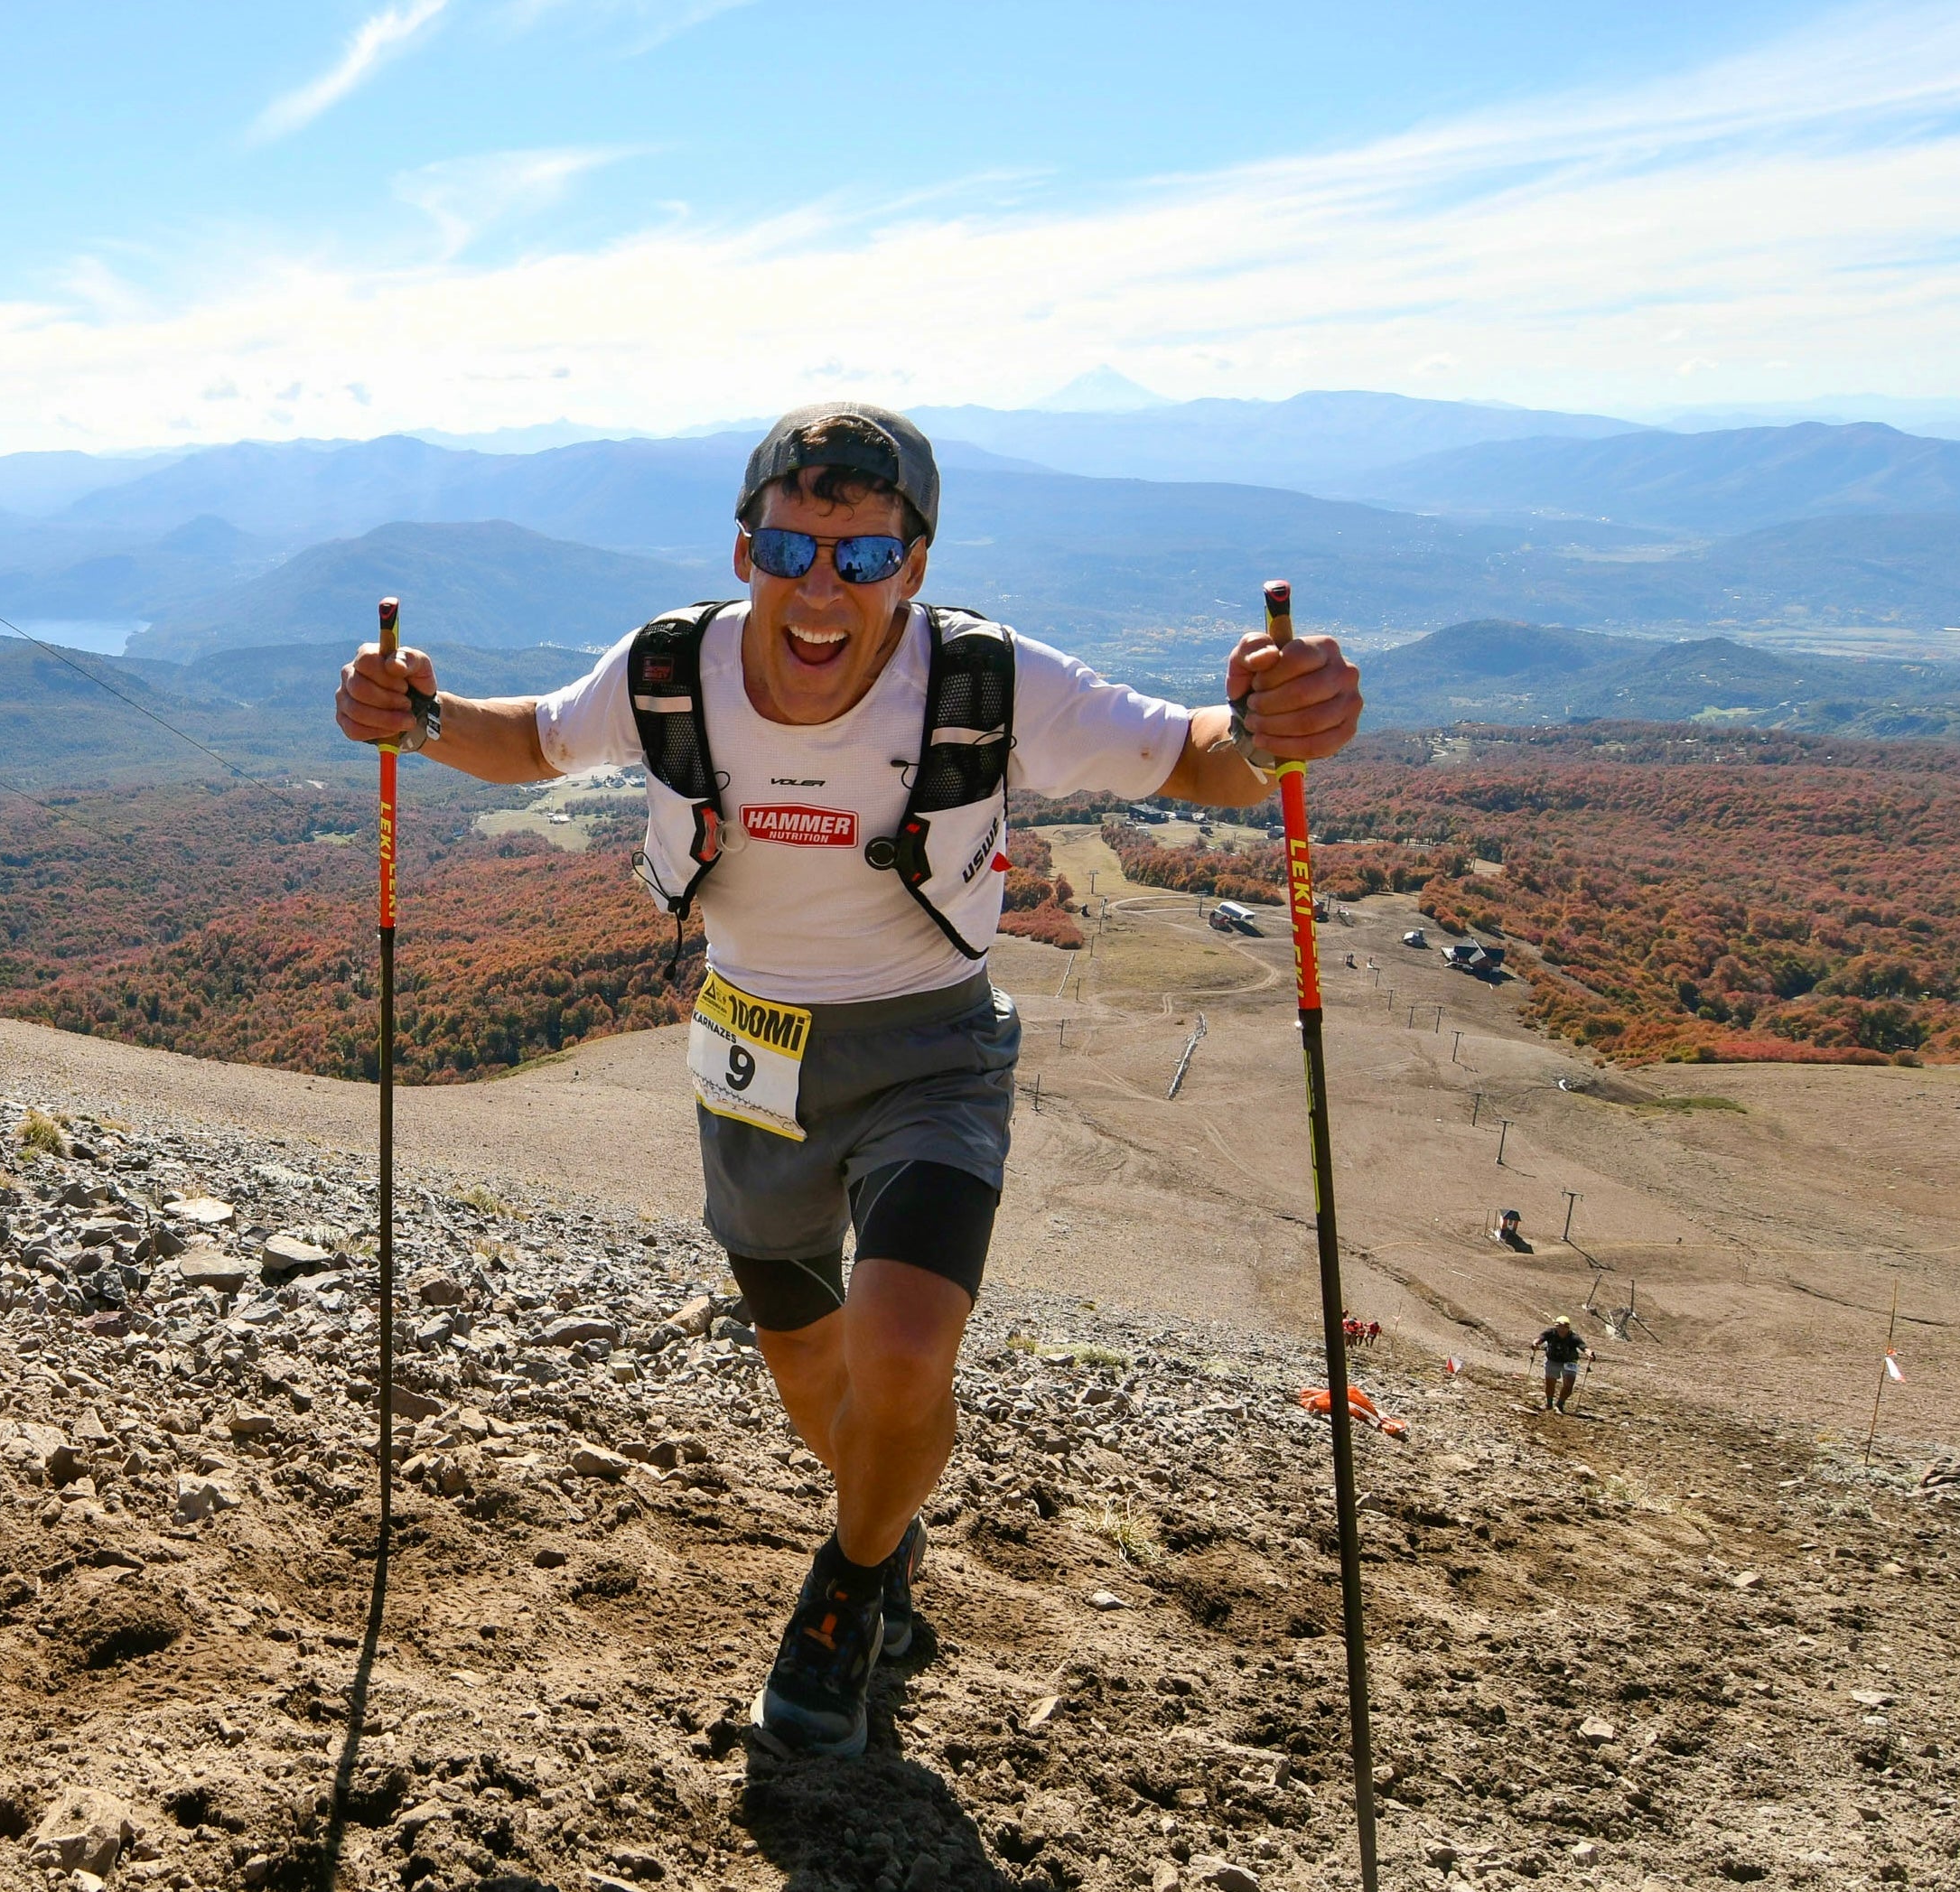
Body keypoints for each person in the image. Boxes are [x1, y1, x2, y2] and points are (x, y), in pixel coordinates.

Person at [336, 402, 1364, 1757]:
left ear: (915, 564)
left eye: (862, 557)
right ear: (746, 545)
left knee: (898, 1349)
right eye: (790, 546)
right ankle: (883, 1527)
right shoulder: (669, 667)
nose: (821, 586)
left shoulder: (983, 680)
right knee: (823, 1391)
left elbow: (1198, 757)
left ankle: (849, 1588)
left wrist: (1284, 725)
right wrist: (415, 715)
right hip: (748, 1056)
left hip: (930, 1050)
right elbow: (529, 740)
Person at [1531, 1314, 1593, 1413]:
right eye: (1559, 1327)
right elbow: (1540, 1338)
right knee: (1550, 1383)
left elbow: (1583, 1347)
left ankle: (1560, 1404)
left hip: (1570, 1361)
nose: (1561, 1329)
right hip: (1552, 1360)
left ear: (1568, 1328)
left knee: (1569, 1385)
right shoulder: (1550, 1333)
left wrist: (1589, 1354)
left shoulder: (1573, 1337)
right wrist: (1535, 1344)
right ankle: (1549, 1403)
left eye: (1564, 1327)